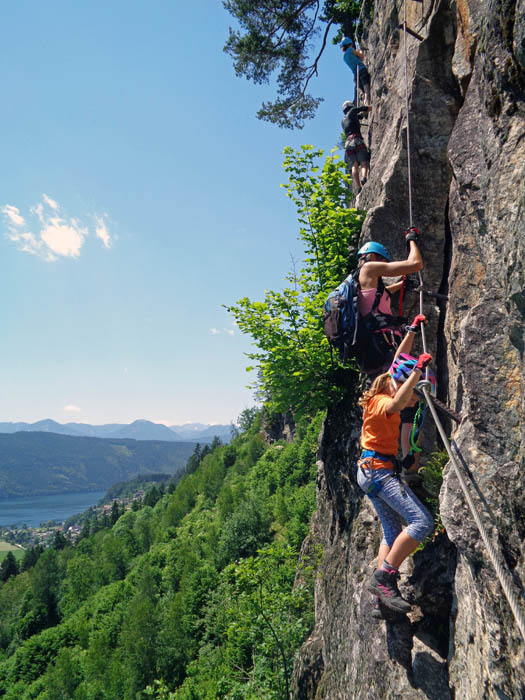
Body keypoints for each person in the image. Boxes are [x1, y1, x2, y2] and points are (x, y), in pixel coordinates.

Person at [357, 350, 435, 616]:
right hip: (377, 472)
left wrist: (413, 330)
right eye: (413, 393)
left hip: (374, 470)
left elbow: (397, 358)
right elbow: (395, 405)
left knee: (391, 533)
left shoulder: (381, 397)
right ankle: (385, 578)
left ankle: (383, 602)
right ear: (400, 386)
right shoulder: (381, 400)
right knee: (422, 522)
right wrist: (416, 373)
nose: (414, 400)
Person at [355, 230, 424, 375]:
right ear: (373, 256)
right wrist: (411, 240)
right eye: (384, 262)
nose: (385, 265)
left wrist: (401, 286)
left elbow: (379, 296)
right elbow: (415, 264)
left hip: (374, 345)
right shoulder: (368, 268)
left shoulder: (359, 281)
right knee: (399, 381)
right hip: (382, 342)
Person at [342, 100, 371, 194]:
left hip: (348, 144)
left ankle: (358, 187)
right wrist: (369, 108)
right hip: (356, 140)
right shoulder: (352, 111)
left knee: (354, 166)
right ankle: (364, 177)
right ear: (350, 107)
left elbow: (358, 117)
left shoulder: (343, 120)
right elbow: (359, 109)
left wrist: (362, 115)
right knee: (363, 162)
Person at [341, 37, 371, 106]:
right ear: (349, 44)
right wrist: (360, 51)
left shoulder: (344, 57)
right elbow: (361, 56)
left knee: (364, 91)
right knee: (367, 91)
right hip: (361, 70)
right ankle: (367, 104)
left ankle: (365, 104)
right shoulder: (351, 50)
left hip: (356, 75)